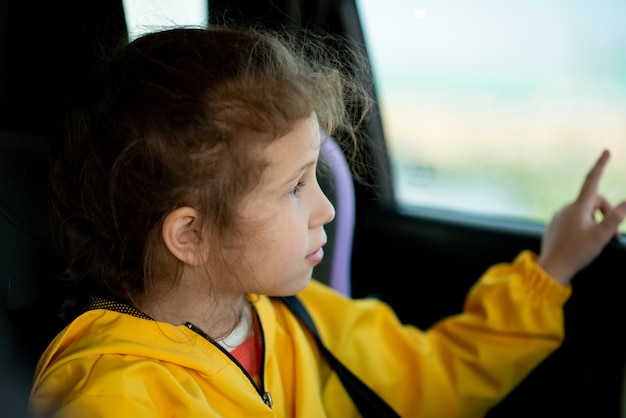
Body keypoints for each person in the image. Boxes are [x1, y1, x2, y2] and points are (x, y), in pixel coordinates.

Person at [28, 25, 626, 418]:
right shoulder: (115, 398)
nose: (328, 209)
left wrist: (553, 268)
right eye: (294, 187)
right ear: (192, 235)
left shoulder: (298, 316)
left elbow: (436, 376)